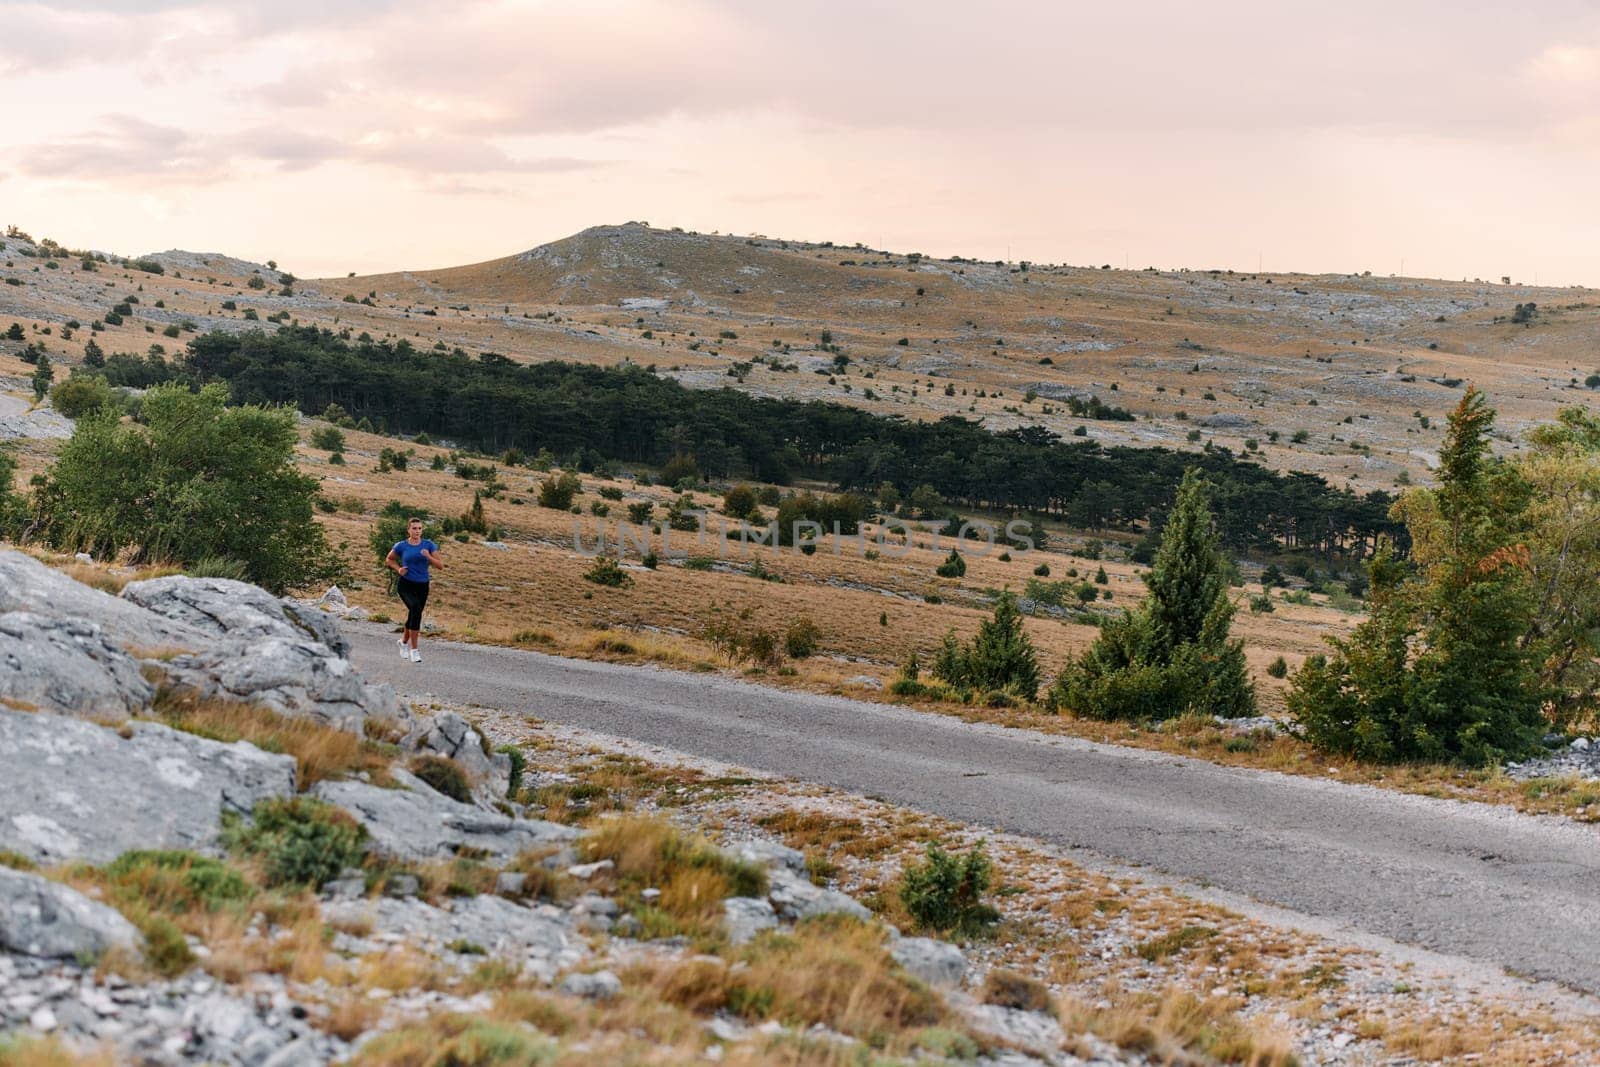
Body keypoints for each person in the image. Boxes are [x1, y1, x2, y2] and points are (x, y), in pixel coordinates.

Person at [385, 518, 444, 662]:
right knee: (416, 609)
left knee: (414, 614)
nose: (417, 531)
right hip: (406, 584)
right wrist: (398, 569)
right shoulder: (401, 545)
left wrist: (428, 556)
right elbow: (389, 559)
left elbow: (440, 565)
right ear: (408, 530)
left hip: (423, 585)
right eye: (414, 528)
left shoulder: (428, 545)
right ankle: (414, 650)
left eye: (419, 528)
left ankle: (403, 642)